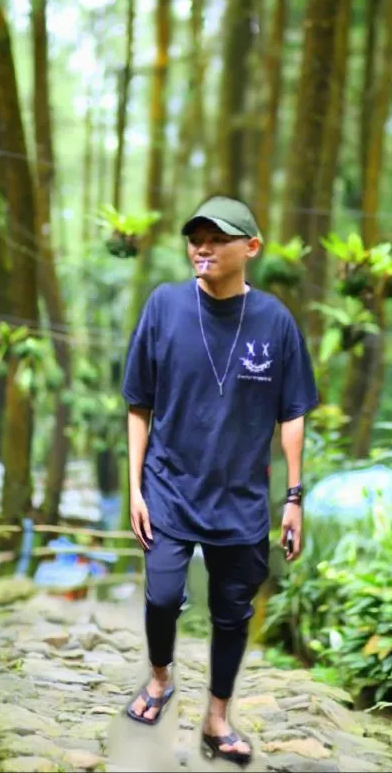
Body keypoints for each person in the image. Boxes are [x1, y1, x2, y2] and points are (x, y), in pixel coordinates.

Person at [121, 195, 318, 766]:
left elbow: (293, 413)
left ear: (249, 247)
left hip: (239, 498)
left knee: (234, 613)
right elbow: (139, 404)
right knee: (162, 596)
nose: (201, 247)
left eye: (216, 238)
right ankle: (159, 679)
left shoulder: (275, 322)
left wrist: (294, 497)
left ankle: (216, 718)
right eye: (195, 237)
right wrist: (135, 488)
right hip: (168, 487)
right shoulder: (164, 306)